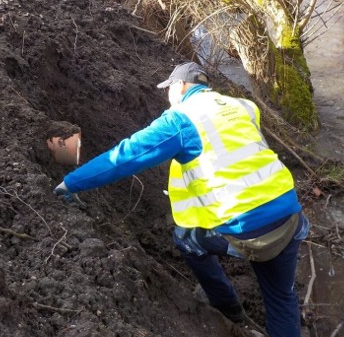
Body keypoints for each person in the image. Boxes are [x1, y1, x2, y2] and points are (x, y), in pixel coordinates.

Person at [54, 62, 309, 337]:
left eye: (169, 89)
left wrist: (72, 183)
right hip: (290, 218)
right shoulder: (243, 107)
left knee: (186, 240)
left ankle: (227, 307)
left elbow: (125, 156)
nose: (168, 96)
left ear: (179, 86)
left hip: (245, 228)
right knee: (281, 298)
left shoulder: (181, 118)